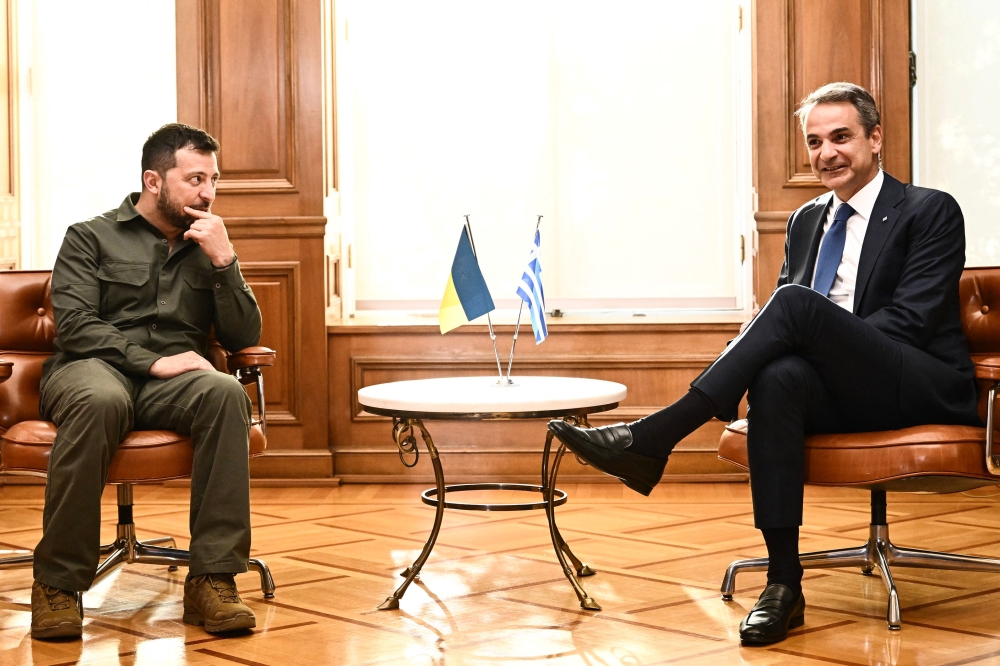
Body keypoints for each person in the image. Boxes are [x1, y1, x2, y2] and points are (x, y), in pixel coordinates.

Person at [548, 82, 980, 645]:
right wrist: (808, 347)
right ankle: (784, 583)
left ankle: (656, 436)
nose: (827, 153)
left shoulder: (928, 209)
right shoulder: (806, 220)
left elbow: (911, 321)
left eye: (842, 137)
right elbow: (783, 330)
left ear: (875, 139)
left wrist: (819, 336)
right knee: (778, 377)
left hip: (917, 380)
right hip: (839, 388)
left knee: (799, 308)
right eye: (815, 141)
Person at [30, 123, 263, 640]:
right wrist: (152, 361)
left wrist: (226, 262)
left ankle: (212, 579)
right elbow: (76, 326)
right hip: (90, 369)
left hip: (173, 383)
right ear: (153, 181)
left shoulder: (210, 245)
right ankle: (58, 585)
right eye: (195, 178)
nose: (208, 193)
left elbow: (243, 334)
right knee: (100, 399)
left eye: (214, 179)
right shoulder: (89, 236)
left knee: (225, 392)